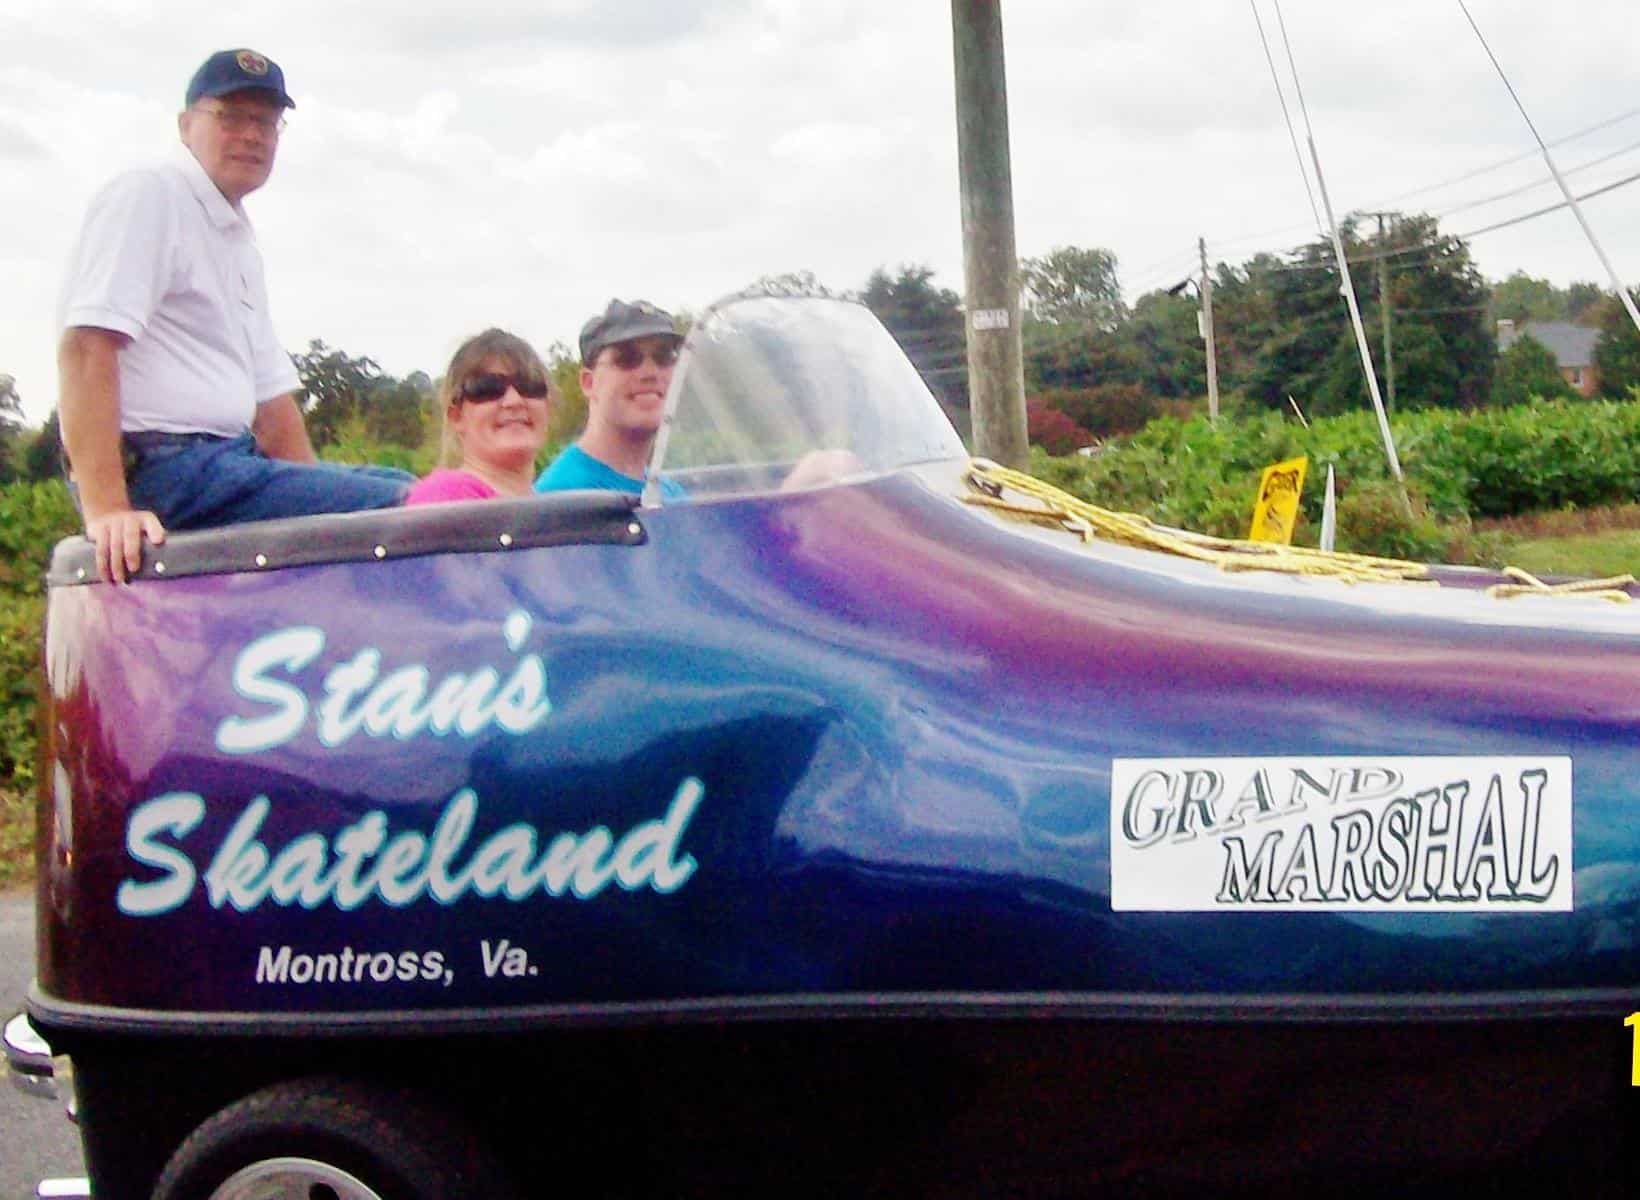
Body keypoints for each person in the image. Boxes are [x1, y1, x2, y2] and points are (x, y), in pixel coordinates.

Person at [56, 48, 412, 583]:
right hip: (166, 469)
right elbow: (86, 346)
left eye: (267, 122)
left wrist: (321, 511)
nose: (252, 135)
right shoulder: (149, 194)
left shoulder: (236, 235)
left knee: (424, 493)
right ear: (185, 125)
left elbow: (271, 404)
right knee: (410, 507)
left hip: (227, 465)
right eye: (232, 117)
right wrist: (106, 510)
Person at [533, 299, 683, 496]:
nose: (650, 372)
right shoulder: (561, 498)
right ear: (588, 383)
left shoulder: (670, 491)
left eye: (664, 357)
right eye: (627, 359)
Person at [405, 330, 553, 505]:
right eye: (489, 388)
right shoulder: (443, 498)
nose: (514, 401)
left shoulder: (554, 510)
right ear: (456, 416)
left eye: (529, 385)